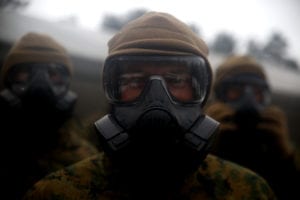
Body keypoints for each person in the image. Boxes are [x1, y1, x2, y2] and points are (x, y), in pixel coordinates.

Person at [23, 12, 276, 200]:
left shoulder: (248, 192)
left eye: (177, 80)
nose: (156, 97)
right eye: (134, 79)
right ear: (111, 89)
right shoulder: (55, 193)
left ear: (204, 91)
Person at [0, 32, 98, 199]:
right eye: (25, 73)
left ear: (67, 83)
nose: (40, 85)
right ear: (8, 80)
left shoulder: (86, 160)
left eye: (53, 74)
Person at [205, 55, 300, 199]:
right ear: (219, 95)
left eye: (257, 92)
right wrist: (204, 143)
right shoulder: (204, 129)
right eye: (236, 90)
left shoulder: (271, 139)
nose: (249, 99)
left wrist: (285, 156)